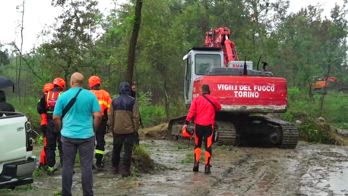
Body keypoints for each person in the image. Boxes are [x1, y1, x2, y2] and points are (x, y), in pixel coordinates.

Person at [53, 72, 101, 196]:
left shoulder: (63, 96)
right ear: (82, 83)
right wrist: (93, 130)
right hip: (86, 136)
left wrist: (60, 129)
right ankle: (88, 194)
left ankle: (66, 193)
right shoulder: (90, 96)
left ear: (71, 82)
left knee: (67, 166)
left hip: (67, 136)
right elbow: (98, 115)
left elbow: (55, 117)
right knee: (86, 166)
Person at [183, 84, 221, 174]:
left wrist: (186, 123)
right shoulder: (213, 99)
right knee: (208, 146)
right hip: (208, 126)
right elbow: (219, 108)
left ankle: (196, 164)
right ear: (209, 91)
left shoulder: (196, 100)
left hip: (198, 126)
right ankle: (207, 166)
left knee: (197, 144)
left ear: (201, 91)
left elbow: (191, 112)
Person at [108, 81, 140, 177]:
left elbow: (110, 116)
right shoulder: (133, 101)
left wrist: (111, 127)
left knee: (116, 149)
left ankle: (114, 168)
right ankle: (125, 170)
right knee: (127, 151)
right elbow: (136, 117)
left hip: (117, 130)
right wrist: (135, 129)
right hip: (129, 131)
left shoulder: (114, 101)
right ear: (128, 89)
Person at [37, 77, 65, 174]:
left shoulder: (46, 95)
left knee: (50, 146)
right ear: (62, 86)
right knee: (63, 144)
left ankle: (50, 167)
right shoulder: (64, 95)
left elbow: (40, 109)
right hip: (62, 122)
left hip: (49, 123)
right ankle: (65, 165)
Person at [88, 75, 112, 169]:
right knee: (100, 141)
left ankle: (89, 163)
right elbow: (110, 109)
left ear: (90, 84)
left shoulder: (87, 94)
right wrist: (110, 123)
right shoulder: (105, 94)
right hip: (101, 121)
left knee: (89, 141)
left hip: (89, 121)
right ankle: (99, 161)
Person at [38, 82, 54, 167]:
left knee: (47, 144)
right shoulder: (46, 98)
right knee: (47, 145)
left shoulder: (43, 99)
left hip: (45, 124)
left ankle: (44, 162)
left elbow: (40, 110)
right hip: (47, 124)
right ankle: (43, 162)